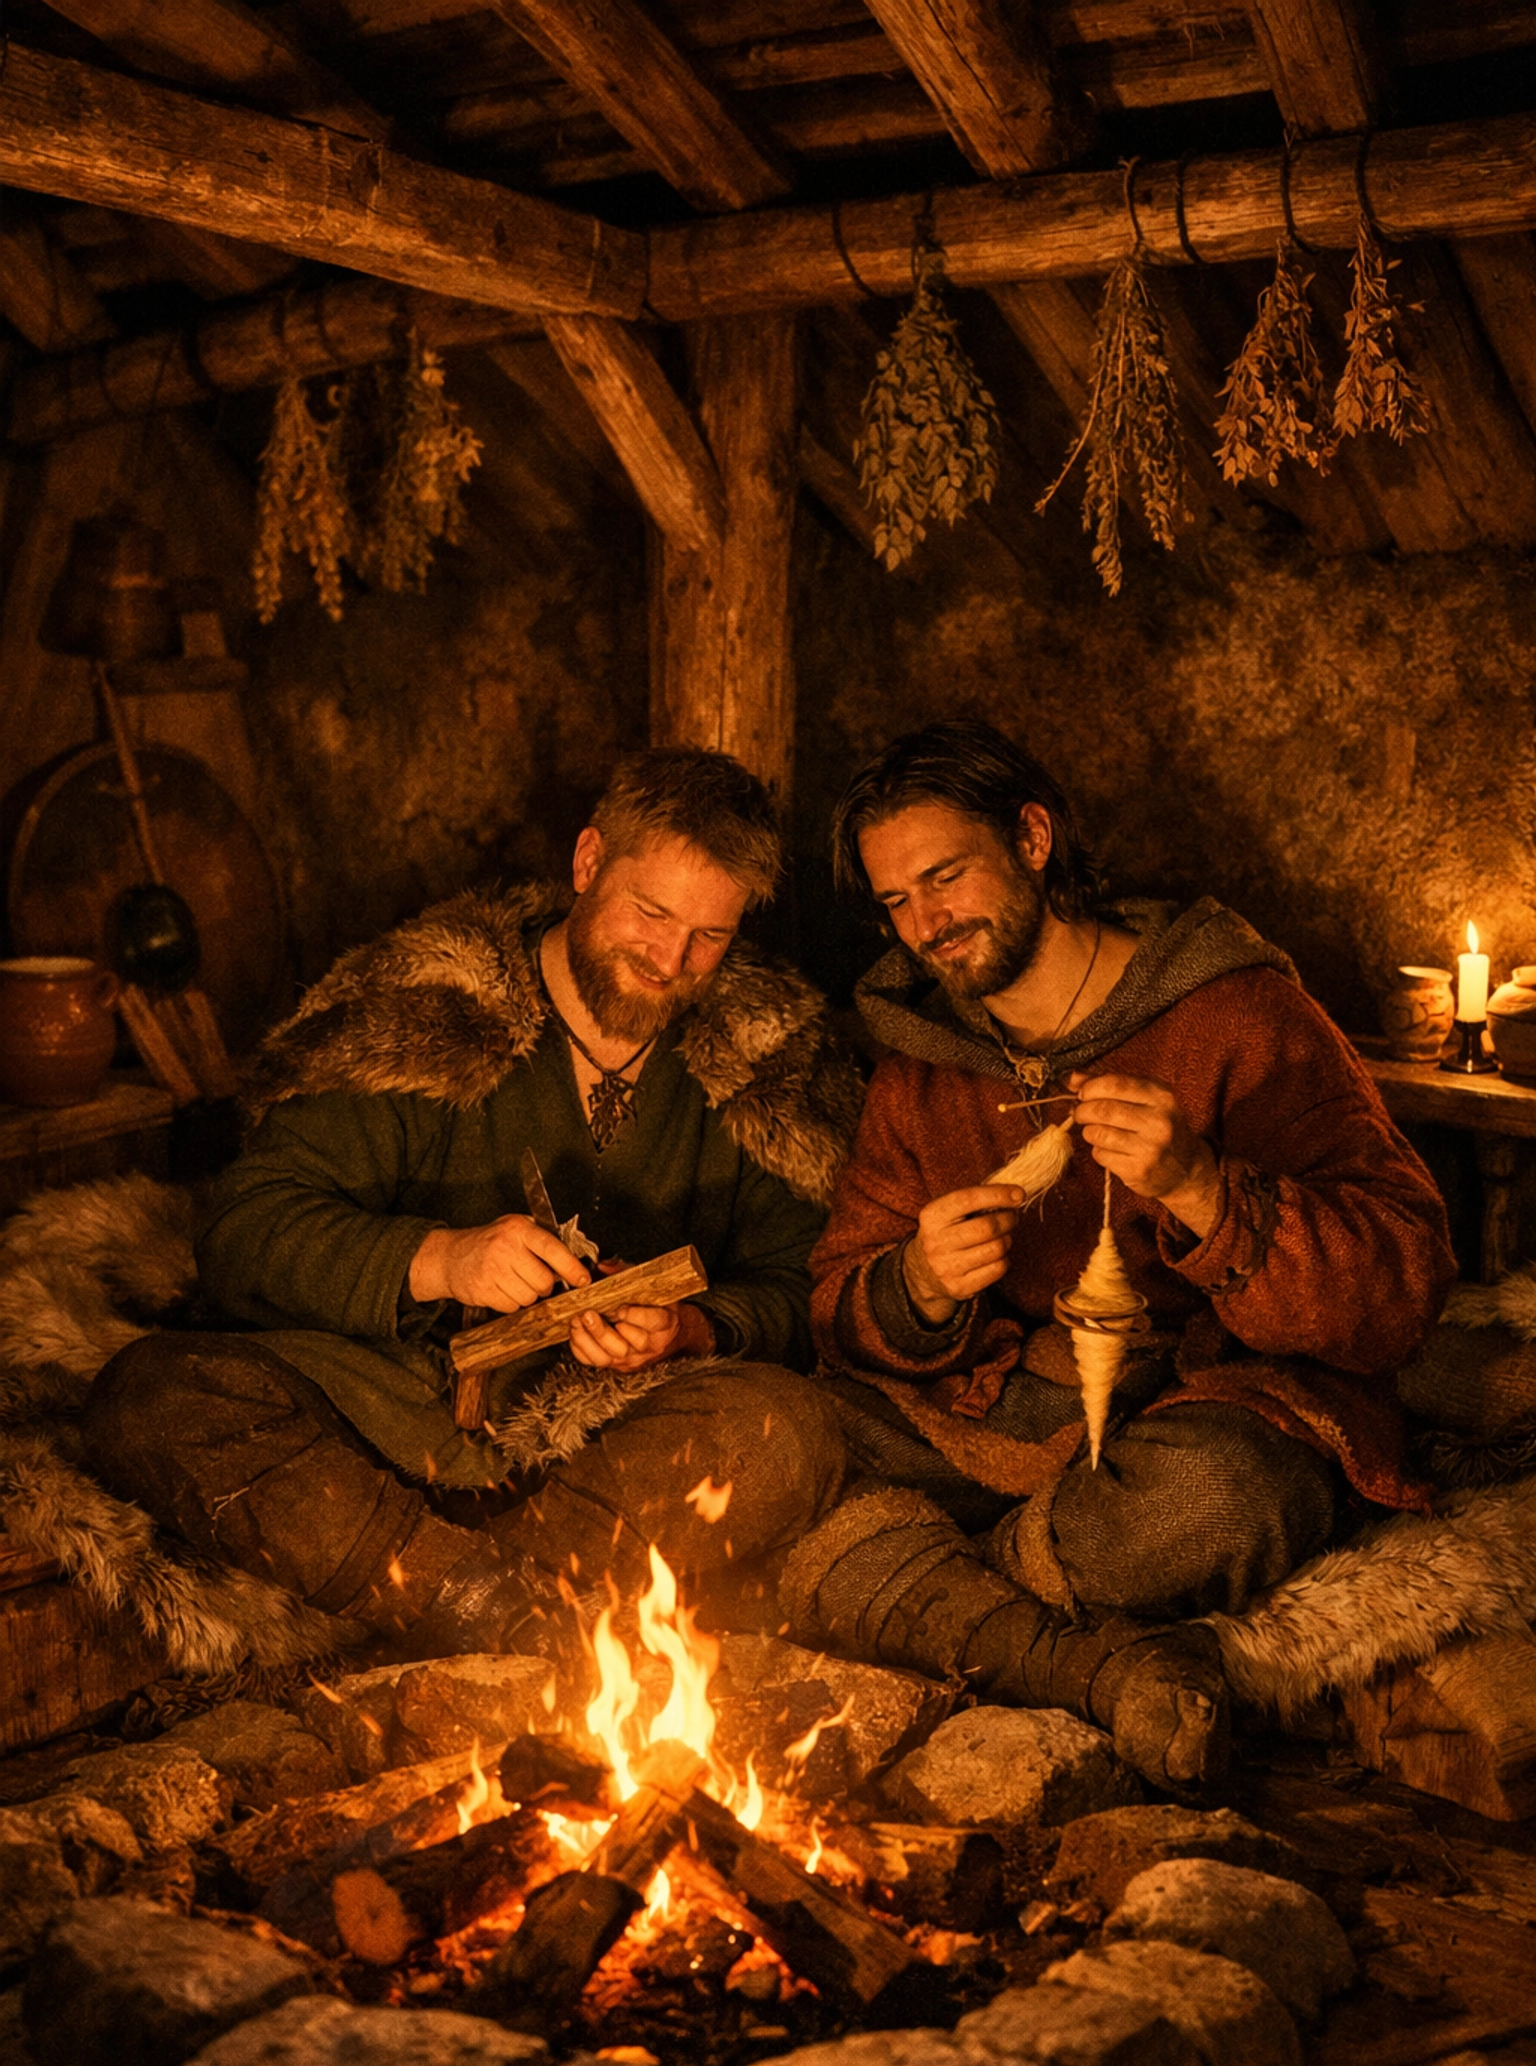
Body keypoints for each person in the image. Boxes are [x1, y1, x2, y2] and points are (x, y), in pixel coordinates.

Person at [786, 721, 1455, 1795]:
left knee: (1218, 1501)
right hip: (996, 1414)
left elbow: (1403, 1282)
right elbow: (836, 1297)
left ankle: (924, 1584)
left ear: (1033, 838)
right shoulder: (921, 1059)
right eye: (896, 901)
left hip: (1201, 1411)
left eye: (946, 877)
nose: (926, 925)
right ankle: (1040, 1612)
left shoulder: (1235, 1013)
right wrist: (917, 1285)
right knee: (768, 1432)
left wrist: (1203, 1188)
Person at [83, 749, 861, 1663]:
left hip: (601, 1441)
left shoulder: (751, 1061)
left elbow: (798, 1283)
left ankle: (443, 1590)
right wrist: (441, 1259)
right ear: (588, 862)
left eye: (709, 937)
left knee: (793, 1430)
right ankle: (498, 1608)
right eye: (651, 914)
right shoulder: (432, 1014)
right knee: (150, 1395)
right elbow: (243, 1232)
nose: (669, 960)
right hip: (381, 1405)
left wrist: (690, 1329)